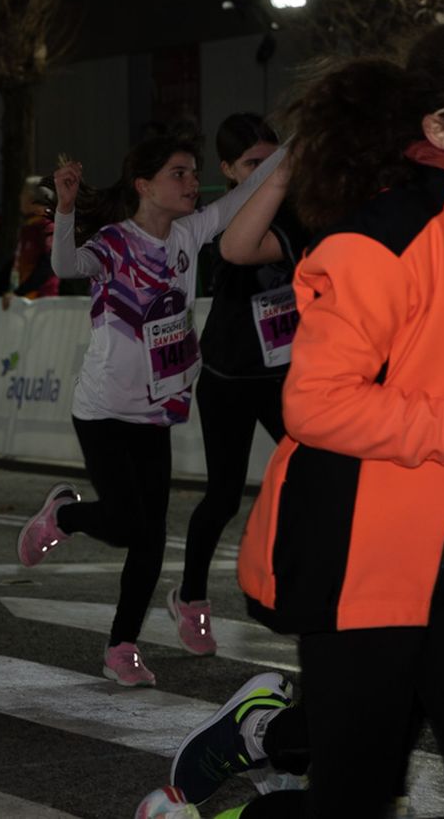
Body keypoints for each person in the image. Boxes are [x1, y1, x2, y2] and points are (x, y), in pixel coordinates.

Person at [231, 18, 444, 816]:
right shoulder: (384, 236)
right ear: (440, 128)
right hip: (370, 562)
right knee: (358, 795)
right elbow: (317, 402)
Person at [17, 133, 284, 686]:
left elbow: (249, 190)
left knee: (150, 537)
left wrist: (299, 142)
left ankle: (122, 647)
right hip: (104, 411)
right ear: (144, 185)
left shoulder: (190, 233)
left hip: (156, 411)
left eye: (194, 173)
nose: (192, 183)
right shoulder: (115, 242)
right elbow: (66, 263)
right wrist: (65, 208)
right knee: (124, 524)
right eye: (178, 174)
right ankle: (63, 516)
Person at [168, 114, 305, 656]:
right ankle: (191, 597)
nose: (265, 172)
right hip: (227, 375)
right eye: (252, 165)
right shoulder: (218, 221)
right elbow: (239, 250)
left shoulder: (297, 210)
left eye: (273, 162)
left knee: (314, 478)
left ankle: (298, 588)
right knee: (223, 497)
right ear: (227, 170)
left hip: (284, 377)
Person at [13, 176, 59, 299]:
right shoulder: (29, 226)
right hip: (26, 298)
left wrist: (20, 292)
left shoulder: (47, 225)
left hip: (42, 300)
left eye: (23, 193)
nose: (20, 197)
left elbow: (48, 264)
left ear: (32, 198)